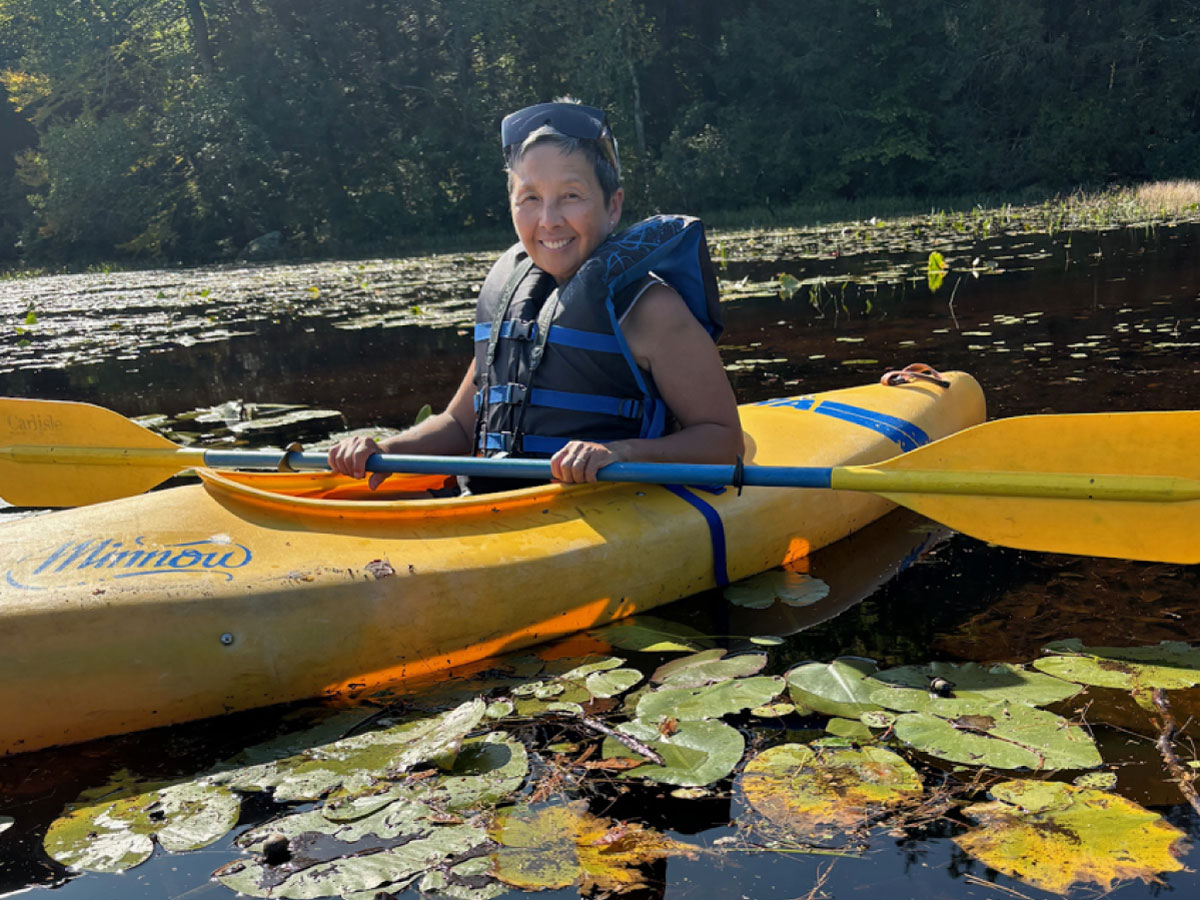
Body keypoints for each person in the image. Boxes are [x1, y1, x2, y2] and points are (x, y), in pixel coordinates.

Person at [328, 100, 742, 490]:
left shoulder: (652, 309)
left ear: (613, 207)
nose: (549, 220)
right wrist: (385, 450)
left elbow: (724, 441)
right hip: (495, 508)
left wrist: (620, 454)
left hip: (604, 509)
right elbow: (459, 425)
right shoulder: (514, 302)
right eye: (530, 198)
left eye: (571, 196)